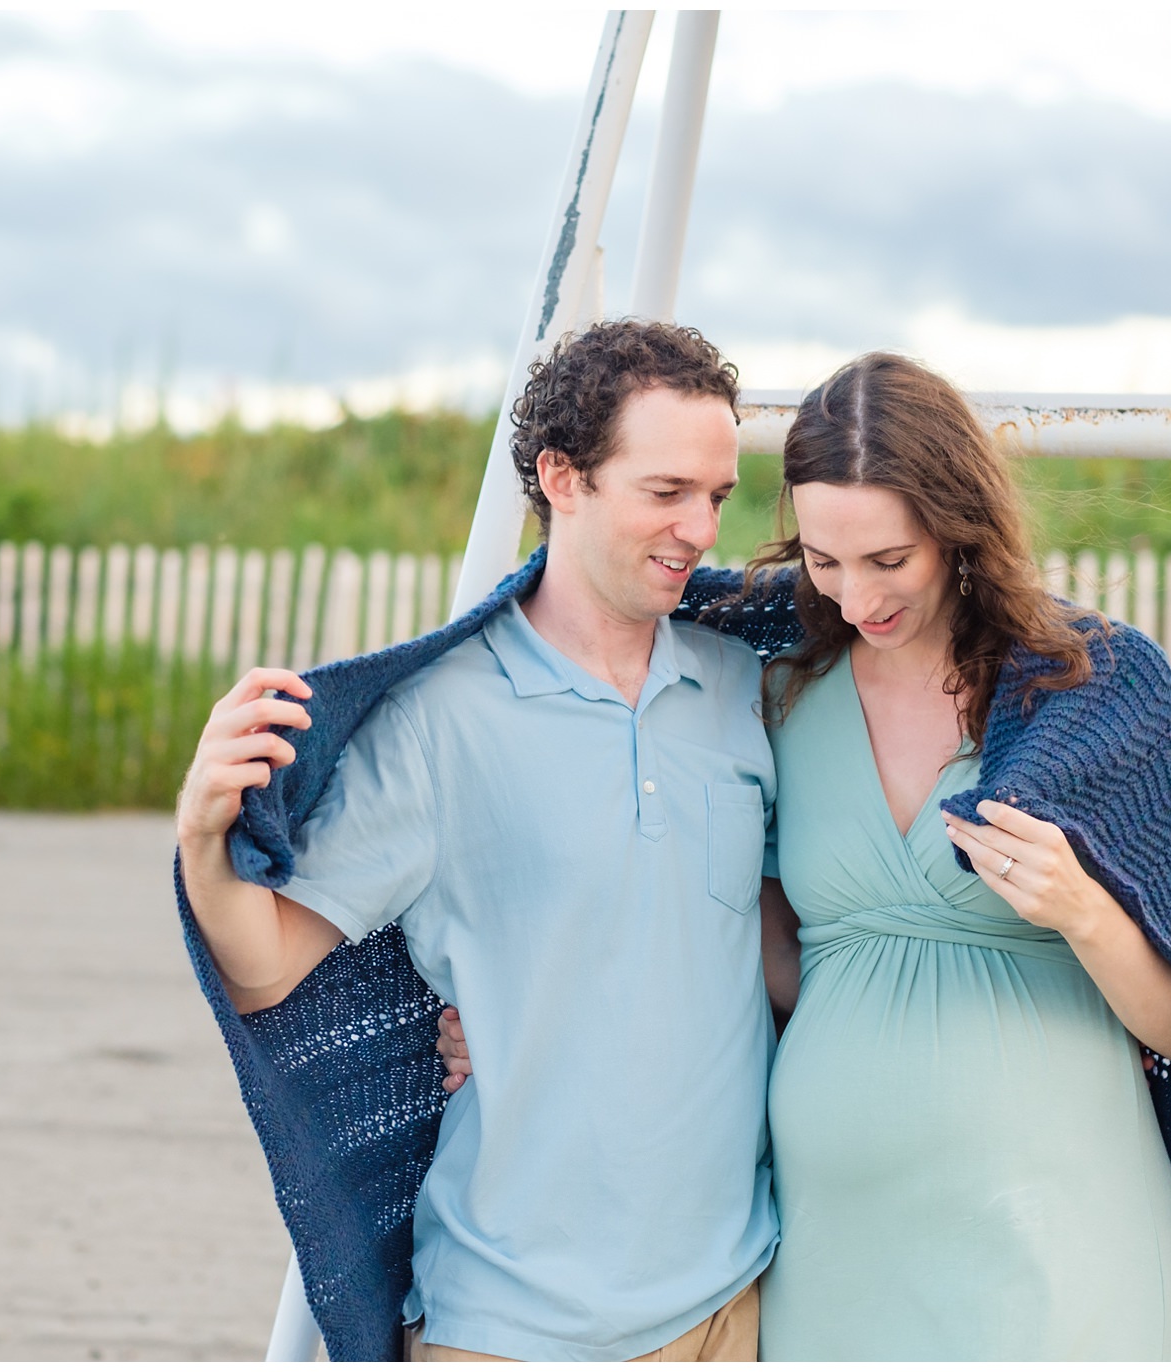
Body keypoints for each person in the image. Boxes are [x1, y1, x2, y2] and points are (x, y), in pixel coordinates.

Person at [436, 352, 1171, 1360]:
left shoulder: (1092, 688)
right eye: (822, 561)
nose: (855, 597)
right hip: (831, 1248)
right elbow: (716, 932)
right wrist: (513, 1011)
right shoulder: (777, 692)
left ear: (957, 526)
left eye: (887, 560)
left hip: (1051, 1233)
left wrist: (1080, 908)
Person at [174, 320, 777, 1361]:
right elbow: (267, 967)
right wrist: (199, 835)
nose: (699, 530)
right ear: (562, 477)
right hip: (511, 1324)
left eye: (716, 496)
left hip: (730, 1309)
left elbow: (779, 950)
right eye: (666, 491)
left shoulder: (740, 688)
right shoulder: (437, 719)